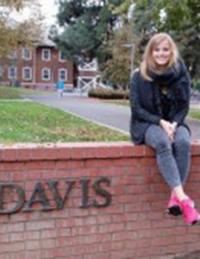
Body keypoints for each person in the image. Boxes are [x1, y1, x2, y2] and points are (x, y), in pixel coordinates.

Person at [130, 32, 200, 225]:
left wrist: (175, 124)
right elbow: (136, 109)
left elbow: (183, 106)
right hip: (147, 123)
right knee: (162, 142)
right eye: (157, 50)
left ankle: (174, 198)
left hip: (175, 121)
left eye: (165, 49)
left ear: (171, 51)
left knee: (183, 142)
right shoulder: (139, 75)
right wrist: (161, 122)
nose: (161, 53)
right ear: (151, 52)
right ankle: (184, 200)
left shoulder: (180, 73)